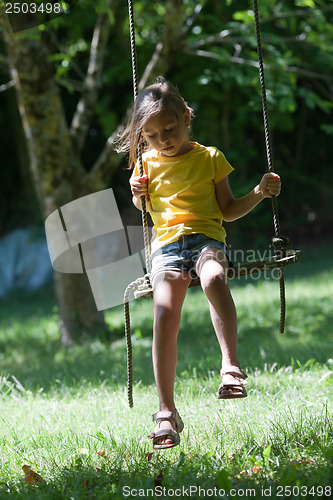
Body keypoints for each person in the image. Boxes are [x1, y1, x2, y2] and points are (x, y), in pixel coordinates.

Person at [117, 77, 281, 450]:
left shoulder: (210, 157)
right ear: (143, 137)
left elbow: (227, 209)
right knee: (164, 311)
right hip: (168, 248)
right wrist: (137, 195)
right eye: (153, 135)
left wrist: (257, 193)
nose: (163, 140)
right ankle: (166, 411)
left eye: (170, 129)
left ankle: (231, 368)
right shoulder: (145, 163)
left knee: (214, 277)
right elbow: (146, 209)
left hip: (207, 240)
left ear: (187, 118)